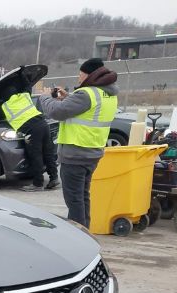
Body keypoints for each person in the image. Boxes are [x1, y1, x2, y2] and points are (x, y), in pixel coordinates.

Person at [38, 58, 118, 228]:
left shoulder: (86, 94)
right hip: (92, 153)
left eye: (80, 75)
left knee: (74, 200)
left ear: (90, 75)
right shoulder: (107, 94)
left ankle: (78, 238)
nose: (78, 79)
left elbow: (57, 112)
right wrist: (68, 97)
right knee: (82, 197)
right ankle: (85, 232)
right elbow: (86, 110)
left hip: (76, 154)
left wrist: (45, 98)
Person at [1, 76, 59, 192]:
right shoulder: (24, 96)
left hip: (33, 130)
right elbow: (28, 87)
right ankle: (54, 178)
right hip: (43, 124)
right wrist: (23, 75)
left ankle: (38, 184)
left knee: (35, 155)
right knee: (47, 153)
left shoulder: (6, 106)